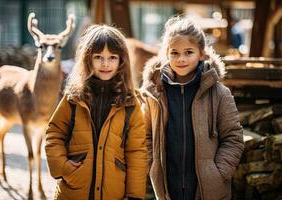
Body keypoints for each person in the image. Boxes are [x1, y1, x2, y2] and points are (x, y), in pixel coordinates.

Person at [141, 15, 244, 200]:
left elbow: (233, 138)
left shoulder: (219, 93)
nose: (181, 59)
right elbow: (144, 134)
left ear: (201, 54)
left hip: (209, 191)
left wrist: (218, 173)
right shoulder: (154, 94)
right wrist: (153, 165)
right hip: (167, 190)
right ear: (166, 54)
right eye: (174, 53)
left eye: (188, 52)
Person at [45, 24, 148, 200]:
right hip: (73, 191)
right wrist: (63, 167)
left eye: (112, 57)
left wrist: (134, 196)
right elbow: (54, 134)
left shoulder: (130, 103)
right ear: (87, 59)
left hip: (113, 193)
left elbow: (136, 153)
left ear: (122, 60)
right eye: (98, 57)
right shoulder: (74, 97)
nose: (105, 63)